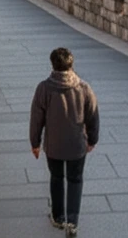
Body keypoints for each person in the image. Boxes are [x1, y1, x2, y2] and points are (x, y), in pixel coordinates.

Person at [29, 47, 99, 236]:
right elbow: (93, 116)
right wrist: (92, 139)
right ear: (71, 64)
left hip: (54, 146)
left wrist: (34, 143)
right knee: (75, 180)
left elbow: (36, 119)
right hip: (77, 145)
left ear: (52, 65)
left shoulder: (44, 88)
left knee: (57, 178)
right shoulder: (84, 88)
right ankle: (73, 221)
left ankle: (58, 216)